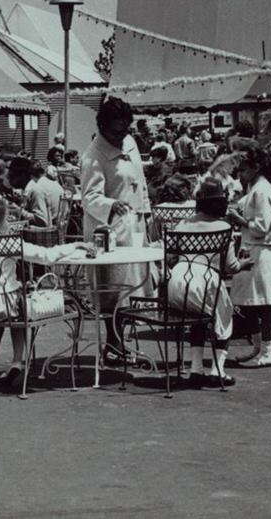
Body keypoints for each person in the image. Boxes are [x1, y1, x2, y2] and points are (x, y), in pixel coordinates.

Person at [0, 197, 88, 391]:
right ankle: (17, 362)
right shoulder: (9, 243)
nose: (9, 223)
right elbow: (46, 256)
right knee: (19, 306)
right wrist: (74, 246)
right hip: (10, 303)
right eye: (7, 219)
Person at [79, 95, 152, 356]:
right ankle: (113, 342)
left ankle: (120, 341)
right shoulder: (93, 156)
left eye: (125, 130)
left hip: (134, 225)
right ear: (102, 126)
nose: (120, 137)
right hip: (108, 232)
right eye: (115, 131)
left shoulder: (129, 143)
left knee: (134, 288)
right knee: (115, 291)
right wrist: (111, 205)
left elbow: (140, 182)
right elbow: (89, 197)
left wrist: (147, 212)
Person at [170, 179, 250, 387]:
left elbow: (170, 254)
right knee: (224, 316)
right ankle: (218, 370)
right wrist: (245, 263)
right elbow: (231, 267)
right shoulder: (224, 227)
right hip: (205, 281)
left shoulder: (183, 224)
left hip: (177, 281)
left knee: (200, 316)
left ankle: (196, 369)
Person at [225, 147, 271, 368]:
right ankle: (259, 347)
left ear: (255, 168)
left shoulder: (261, 191)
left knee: (263, 303)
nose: (240, 174)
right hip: (258, 249)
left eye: (243, 170)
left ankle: (266, 349)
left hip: (261, 250)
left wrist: (238, 219)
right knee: (252, 302)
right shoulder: (259, 189)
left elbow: (261, 227)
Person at [22, 156, 68, 230]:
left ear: (31, 176)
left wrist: (21, 212)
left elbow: (42, 221)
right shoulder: (56, 184)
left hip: (48, 230)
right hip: (61, 226)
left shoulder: (36, 188)